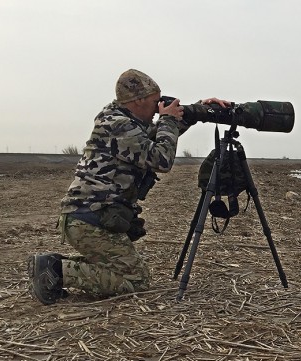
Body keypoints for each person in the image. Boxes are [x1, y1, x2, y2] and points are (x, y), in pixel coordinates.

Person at [28, 69, 230, 304]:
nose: (157, 108)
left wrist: (197, 110)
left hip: (89, 216)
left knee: (124, 270)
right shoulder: (119, 125)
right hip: (90, 220)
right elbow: (161, 159)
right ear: (138, 101)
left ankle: (53, 265)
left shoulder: (123, 120)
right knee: (136, 281)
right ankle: (57, 271)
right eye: (155, 102)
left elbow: (154, 138)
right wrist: (168, 119)